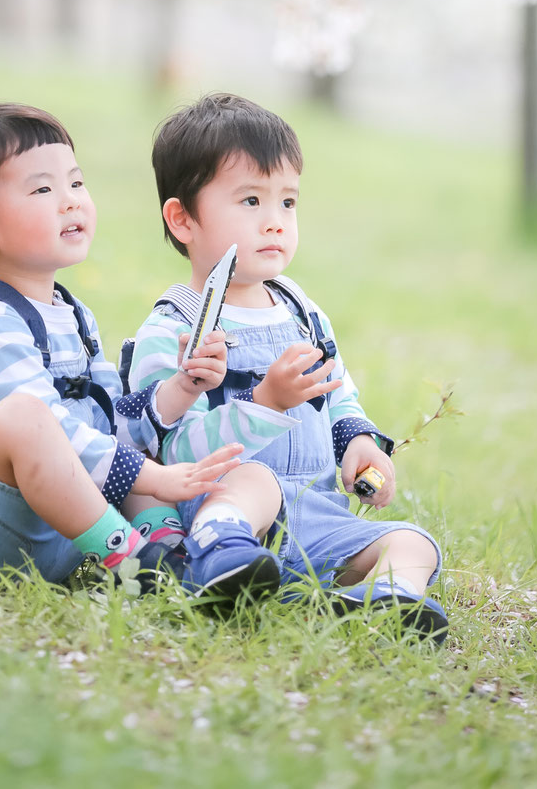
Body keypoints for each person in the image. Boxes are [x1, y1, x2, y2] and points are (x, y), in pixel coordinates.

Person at [0, 101, 278, 597]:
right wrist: (152, 476)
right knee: (26, 418)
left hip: (64, 529)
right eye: (43, 189)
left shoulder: (75, 316)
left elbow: (107, 426)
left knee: (133, 447)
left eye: (76, 184)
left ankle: (179, 555)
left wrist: (182, 386)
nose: (71, 201)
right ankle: (139, 566)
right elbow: (48, 428)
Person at [127, 92, 448, 640]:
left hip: (314, 516)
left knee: (415, 543)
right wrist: (264, 405)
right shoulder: (178, 327)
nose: (275, 222)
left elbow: (338, 391)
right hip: (222, 505)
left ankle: (378, 601)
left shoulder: (301, 310)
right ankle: (220, 561)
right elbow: (166, 447)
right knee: (254, 479)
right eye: (251, 202)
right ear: (183, 220)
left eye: (288, 203)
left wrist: (359, 443)